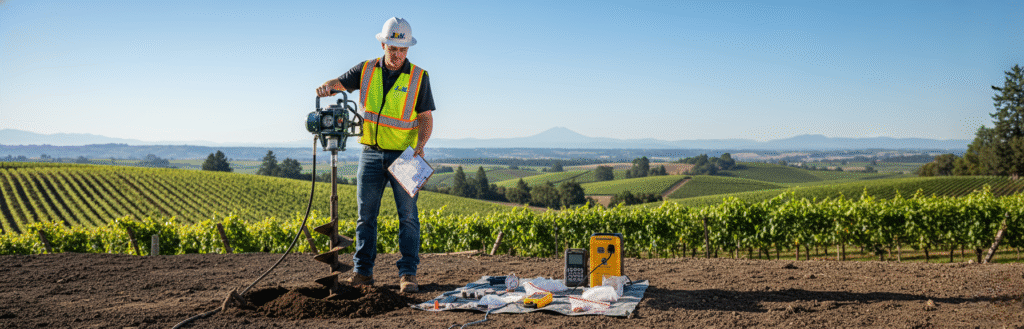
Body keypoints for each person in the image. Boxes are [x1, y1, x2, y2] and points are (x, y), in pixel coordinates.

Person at [316, 17, 435, 293]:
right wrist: (326, 87)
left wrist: (421, 145)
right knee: (365, 217)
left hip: (405, 157)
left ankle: (408, 274)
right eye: (393, 48)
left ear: (408, 49)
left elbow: (425, 117)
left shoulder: (419, 77)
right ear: (383, 45)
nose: (398, 55)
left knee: (408, 217)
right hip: (370, 154)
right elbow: (338, 83)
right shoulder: (366, 70)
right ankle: (363, 273)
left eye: (402, 49)